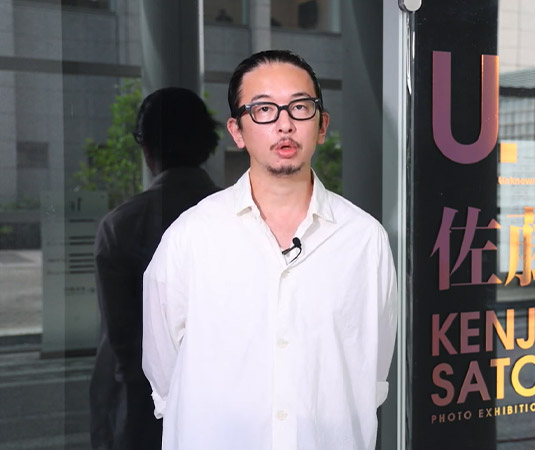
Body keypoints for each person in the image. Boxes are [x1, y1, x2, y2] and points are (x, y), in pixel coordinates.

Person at [142, 50, 398, 449]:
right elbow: (164, 371)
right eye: (263, 109)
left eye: (300, 107)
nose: (284, 124)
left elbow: (372, 371)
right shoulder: (191, 237)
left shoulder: (364, 240)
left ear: (322, 125)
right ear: (237, 131)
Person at [90, 87, 221, 449]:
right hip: (230, 410)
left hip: (145, 416)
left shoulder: (121, 226)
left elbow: (122, 343)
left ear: (146, 146)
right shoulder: (248, 220)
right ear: (207, 144)